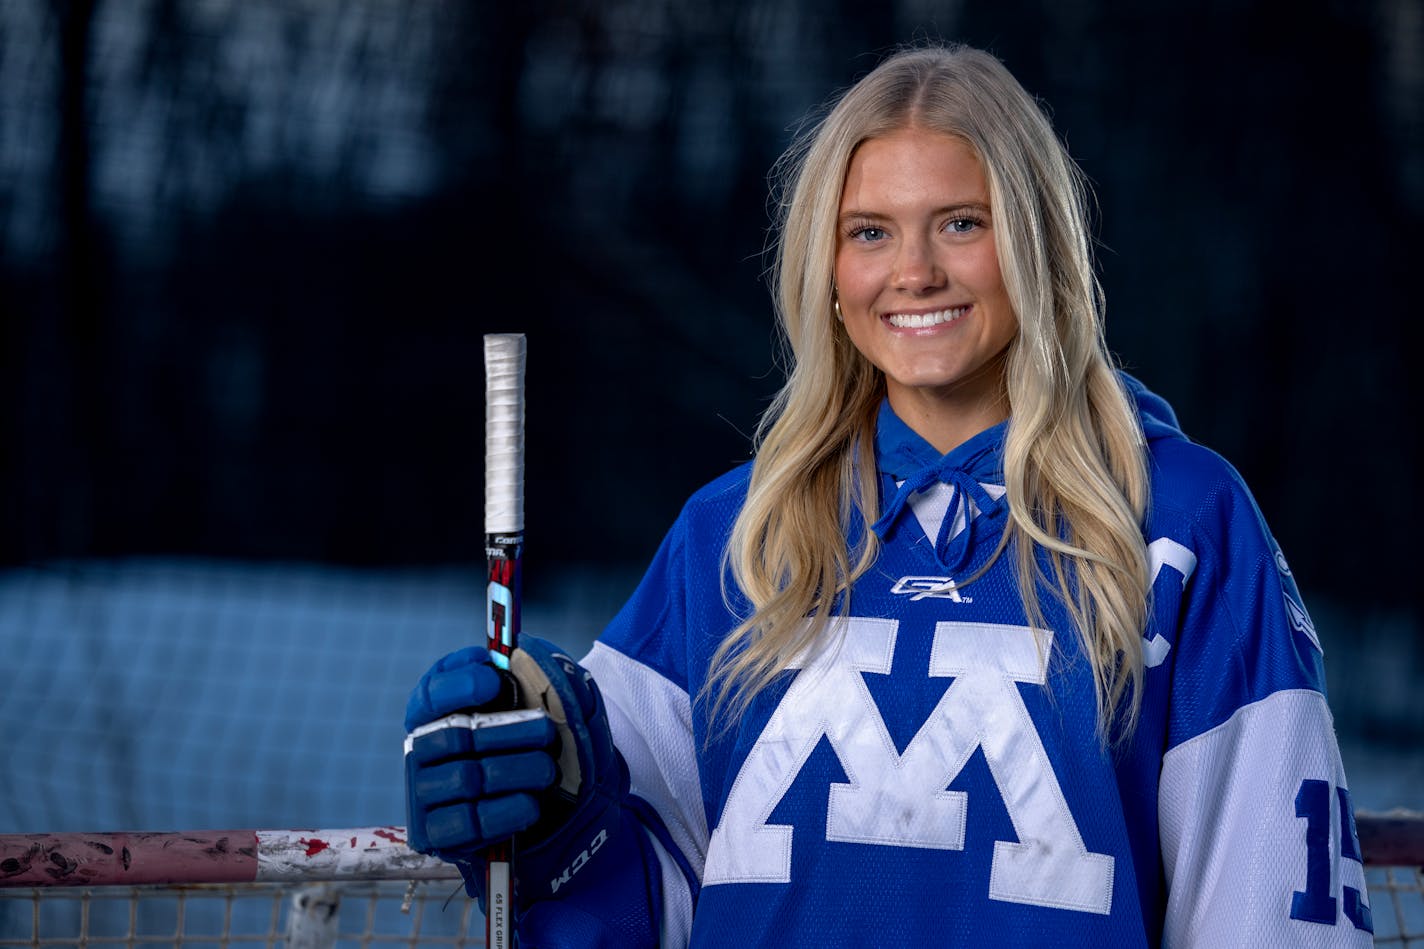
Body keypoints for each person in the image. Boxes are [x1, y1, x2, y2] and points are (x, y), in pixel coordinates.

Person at [402, 43, 1374, 947]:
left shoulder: (1178, 523)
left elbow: (1268, 910)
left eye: (960, 223)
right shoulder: (734, 535)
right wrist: (547, 824)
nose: (912, 272)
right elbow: (641, 892)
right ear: (827, 271)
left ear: (1033, 246)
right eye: (869, 231)